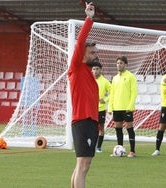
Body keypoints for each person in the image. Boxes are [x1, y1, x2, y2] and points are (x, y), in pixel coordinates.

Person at [67, 2, 99, 188]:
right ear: (83, 54)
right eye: (92, 52)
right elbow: (80, 42)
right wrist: (89, 19)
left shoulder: (87, 73)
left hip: (90, 121)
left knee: (82, 165)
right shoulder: (76, 67)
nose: (96, 55)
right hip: (83, 121)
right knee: (83, 165)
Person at [108, 56, 138, 158]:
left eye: (121, 63)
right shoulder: (115, 78)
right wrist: (110, 107)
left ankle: (132, 151)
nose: (119, 65)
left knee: (129, 128)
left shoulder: (130, 76)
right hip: (116, 107)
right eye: (117, 63)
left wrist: (130, 105)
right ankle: (119, 149)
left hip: (127, 108)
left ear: (126, 64)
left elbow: (134, 92)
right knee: (118, 129)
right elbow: (112, 93)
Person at [91, 62, 111, 153]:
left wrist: (106, 100)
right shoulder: (89, 80)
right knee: (89, 128)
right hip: (90, 109)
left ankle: (98, 147)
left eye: (97, 69)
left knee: (100, 128)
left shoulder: (105, 82)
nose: (95, 71)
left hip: (100, 109)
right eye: (94, 69)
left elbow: (113, 93)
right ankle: (90, 146)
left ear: (100, 70)